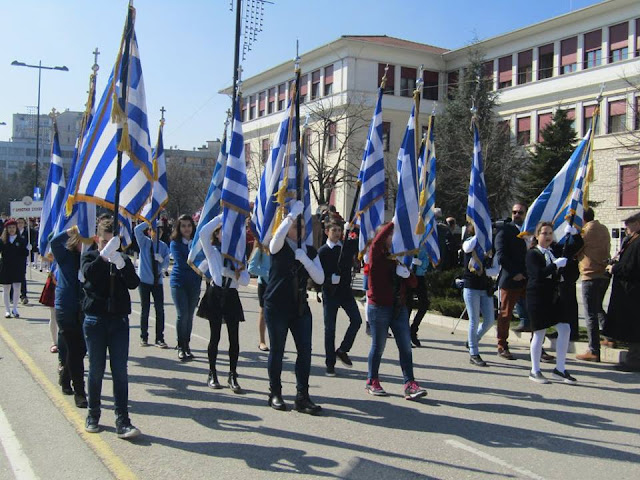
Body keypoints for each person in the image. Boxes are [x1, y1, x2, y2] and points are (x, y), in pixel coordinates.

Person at [81, 217, 141, 438]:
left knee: (120, 373)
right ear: (97, 239)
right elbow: (89, 276)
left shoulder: (121, 258)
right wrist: (104, 256)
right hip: (95, 320)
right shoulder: (90, 256)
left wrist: (121, 262)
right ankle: (93, 414)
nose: (106, 245)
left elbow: (133, 283)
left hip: (118, 321)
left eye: (110, 242)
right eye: (103, 241)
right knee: (96, 370)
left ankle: (122, 420)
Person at [264, 200, 324, 414]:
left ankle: (302, 396)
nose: (299, 230)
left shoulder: (309, 250)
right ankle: (275, 393)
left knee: (305, 351)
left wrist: (306, 260)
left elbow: (320, 277)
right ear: (287, 227)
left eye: (302, 226)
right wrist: (291, 215)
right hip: (277, 305)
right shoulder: (278, 245)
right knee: (278, 350)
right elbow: (273, 243)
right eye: (295, 226)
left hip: (299, 307)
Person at [365, 222, 427, 400]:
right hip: (379, 308)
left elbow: (413, 284)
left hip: (399, 308)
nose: (394, 238)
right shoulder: (376, 256)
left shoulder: (398, 258)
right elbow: (376, 243)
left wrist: (407, 274)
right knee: (378, 346)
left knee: (406, 347)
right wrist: (395, 221)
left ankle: (410, 384)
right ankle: (372, 380)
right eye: (391, 235)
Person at [197, 214, 249, 392]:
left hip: (232, 295)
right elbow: (203, 232)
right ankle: (212, 372)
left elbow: (246, 280)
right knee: (215, 336)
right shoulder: (212, 251)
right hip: (216, 294)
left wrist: (235, 273)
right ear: (217, 234)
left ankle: (233, 374)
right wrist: (223, 215)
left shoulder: (239, 254)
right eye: (222, 232)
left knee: (234, 338)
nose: (225, 235)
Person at [526, 222, 576, 384]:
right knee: (539, 333)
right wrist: (555, 265)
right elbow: (537, 275)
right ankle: (535, 370)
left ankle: (560, 369)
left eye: (550, 233)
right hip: (538, 297)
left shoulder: (552, 252)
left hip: (553, 296)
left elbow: (572, 249)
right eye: (544, 233)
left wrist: (574, 235)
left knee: (565, 328)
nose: (547, 236)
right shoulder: (533, 254)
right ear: (537, 235)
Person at [318, 221, 362, 376]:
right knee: (330, 329)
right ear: (326, 232)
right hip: (330, 294)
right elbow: (316, 275)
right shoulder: (322, 251)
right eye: (334, 230)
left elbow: (361, 241)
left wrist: (353, 229)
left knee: (357, 320)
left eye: (339, 230)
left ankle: (343, 349)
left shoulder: (345, 247)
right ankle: (330, 363)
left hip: (345, 292)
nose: (337, 233)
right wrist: (328, 280)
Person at [50, 227, 88, 408]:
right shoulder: (65, 256)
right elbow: (53, 242)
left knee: (80, 349)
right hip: (65, 307)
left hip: (85, 308)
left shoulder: (90, 258)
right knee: (75, 348)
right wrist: (70, 230)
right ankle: (79, 391)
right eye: (82, 240)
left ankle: (65, 377)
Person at [603, 212, 640, 371]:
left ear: (637, 223)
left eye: (629, 223)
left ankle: (634, 360)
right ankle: (632, 358)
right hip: (628, 291)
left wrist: (614, 268)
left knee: (634, 327)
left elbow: (632, 268)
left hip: (633, 292)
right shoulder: (633, 240)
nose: (626, 227)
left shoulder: (638, 242)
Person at [576, 208, 611, 362]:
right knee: (597, 308)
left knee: (590, 313)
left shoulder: (585, 231)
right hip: (604, 273)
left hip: (590, 274)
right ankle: (610, 336)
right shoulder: (603, 228)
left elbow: (576, 248)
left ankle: (593, 349)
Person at [494, 203, 529, 359]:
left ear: (525, 213)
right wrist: (515, 273)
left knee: (533, 313)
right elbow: (501, 255)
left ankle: (538, 347)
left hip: (528, 279)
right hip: (510, 279)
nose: (517, 215)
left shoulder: (530, 231)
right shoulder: (505, 231)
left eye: (520, 212)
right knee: (506, 314)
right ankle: (502, 345)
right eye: (514, 212)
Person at [461, 224, 498, 367]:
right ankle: (474, 353)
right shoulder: (469, 242)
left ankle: (473, 340)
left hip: (485, 287)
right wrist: (479, 235)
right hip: (471, 287)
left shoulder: (490, 247)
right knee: (474, 320)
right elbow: (467, 248)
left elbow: (495, 269)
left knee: (489, 321)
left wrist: (484, 271)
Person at [169, 214, 202, 361]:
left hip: (194, 283)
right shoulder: (175, 243)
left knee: (190, 315)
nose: (186, 228)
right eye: (183, 226)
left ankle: (187, 345)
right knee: (182, 314)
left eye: (189, 225)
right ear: (179, 227)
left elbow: (203, 259)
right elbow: (182, 263)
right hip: (179, 282)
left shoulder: (197, 242)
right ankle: (180, 345)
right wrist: (197, 265)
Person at [134, 222, 170, 348]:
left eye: (160, 231)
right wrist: (150, 220)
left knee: (160, 310)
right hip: (144, 281)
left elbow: (166, 262)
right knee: (145, 309)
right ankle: (144, 336)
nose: (157, 233)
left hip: (157, 282)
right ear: (149, 231)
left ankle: (159, 338)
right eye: (154, 230)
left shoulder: (163, 246)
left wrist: (161, 261)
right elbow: (137, 229)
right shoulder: (144, 242)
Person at [551, 227, 584, 342]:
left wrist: (575, 234)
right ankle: (561, 328)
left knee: (568, 303)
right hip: (554, 276)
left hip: (567, 275)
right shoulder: (550, 244)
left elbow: (578, 244)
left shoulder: (565, 242)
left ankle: (573, 331)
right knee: (559, 304)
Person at [0, 219, 28, 318]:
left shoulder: (22, 240)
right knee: (6, 289)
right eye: (9, 228)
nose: (11, 229)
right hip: (6, 266)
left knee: (17, 288)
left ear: (16, 228)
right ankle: (7, 310)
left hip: (18, 267)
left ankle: (15, 309)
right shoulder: (2, 240)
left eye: (13, 227)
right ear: (6, 229)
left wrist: (28, 248)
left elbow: (25, 254)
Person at [248, 239, 270, 352]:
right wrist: (268, 273)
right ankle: (262, 341)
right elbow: (251, 268)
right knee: (263, 312)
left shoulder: (280, 244)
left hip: (278, 284)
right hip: (265, 284)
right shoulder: (261, 247)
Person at [408, 242, 431, 348]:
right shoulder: (408, 241)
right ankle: (405, 334)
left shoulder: (423, 243)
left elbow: (426, 262)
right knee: (407, 305)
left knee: (424, 304)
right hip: (407, 275)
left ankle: (413, 330)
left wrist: (421, 263)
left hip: (419, 276)